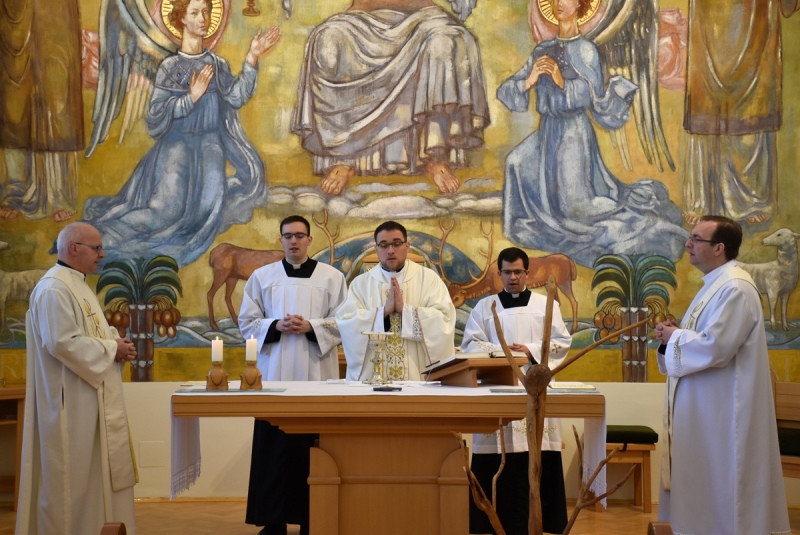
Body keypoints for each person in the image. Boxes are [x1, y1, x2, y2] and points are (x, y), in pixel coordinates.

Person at [82, 0, 280, 266]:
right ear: (181, 19)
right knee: (163, 213)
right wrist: (191, 98)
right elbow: (155, 116)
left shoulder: (217, 64)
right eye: (195, 13)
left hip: (210, 149)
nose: (203, 18)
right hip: (176, 150)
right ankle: (93, 239)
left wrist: (252, 58)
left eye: (206, 12)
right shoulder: (170, 66)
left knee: (207, 214)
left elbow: (236, 97)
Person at [497, 0, 687, 269]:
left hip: (573, 134)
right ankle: (536, 216)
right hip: (547, 131)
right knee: (516, 161)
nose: (558, 4)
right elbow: (508, 89)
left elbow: (589, 94)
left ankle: (633, 224)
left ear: (580, 5)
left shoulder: (586, 50)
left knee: (576, 209)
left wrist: (560, 80)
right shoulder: (542, 49)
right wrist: (529, 80)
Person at [653, 215, 790, 535]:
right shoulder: (715, 286)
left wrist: (675, 337)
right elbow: (706, 339)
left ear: (719, 248)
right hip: (706, 410)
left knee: (724, 484)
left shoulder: (735, 288)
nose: (688, 244)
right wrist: (672, 336)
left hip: (724, 413)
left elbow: (717, 347)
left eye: (696, 239)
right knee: (704, 483)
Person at [291, 0, 490, 196]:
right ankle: (344, 158)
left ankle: (436, 155)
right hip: (361, 20)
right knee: (329, 37)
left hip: (422, 18)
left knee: (446, 40)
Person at [16, 222, 139, 534]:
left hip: (88, 399)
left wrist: (116, 344)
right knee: (72, 482)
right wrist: (111, 349)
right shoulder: (54, 288)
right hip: (70, 406)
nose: (102, 254)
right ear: (73, 248)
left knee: (94, 478)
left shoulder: (78, 284)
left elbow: (89, 334)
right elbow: (61, 342)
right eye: (96, 248)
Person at [238, 215, 347, 535]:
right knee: (274, 451)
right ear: (281, 240)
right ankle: (273, 522)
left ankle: (314, 519)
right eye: (288, 236)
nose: (294, 241)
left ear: (310, 240)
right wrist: (276, 325)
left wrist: (312, 326)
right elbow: (246, 323)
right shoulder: (262, 277)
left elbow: (346, 322)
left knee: (312, 451)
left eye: (300, 235)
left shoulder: (332, 277)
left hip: (317, 377)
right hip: (274, 376)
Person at [461, 247, 571, 535]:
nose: (512, 277)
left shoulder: (545, 304)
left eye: (518, 272)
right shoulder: (484, 308)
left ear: (527, 273)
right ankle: (491, 525)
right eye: (507, 272)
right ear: (499, 273)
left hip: (534, 390)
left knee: (534, 457)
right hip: (498, 387)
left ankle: (537, 523)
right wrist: (501, 351)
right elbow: (470, 344)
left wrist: (530, 351)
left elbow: (561, 342)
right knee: (498, 459)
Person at [681, 0, 799, 226]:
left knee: (753, 109)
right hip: (709, 24)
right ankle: (703, 199)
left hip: (755, 22)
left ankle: (752, 200)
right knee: (708, 106)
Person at [336, 220, 456, 380]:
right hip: (374, 378)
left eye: (397, 244)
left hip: (416, 376)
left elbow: (445, 319)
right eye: (384, 245)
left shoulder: (428, 279)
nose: (390, 250)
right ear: (376, 249)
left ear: (407, 245)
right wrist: (383, 313)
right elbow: (347, 322)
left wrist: (406, 311)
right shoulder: (361, 284)